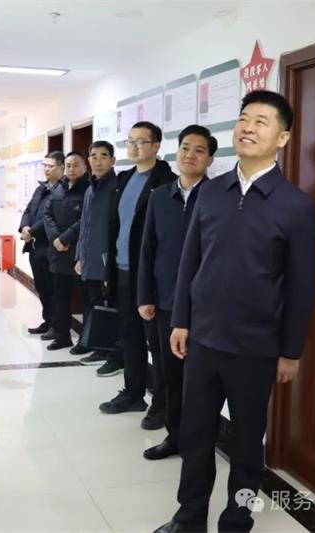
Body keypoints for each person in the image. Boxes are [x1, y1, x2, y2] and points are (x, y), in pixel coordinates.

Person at [155, 90, 315, 533]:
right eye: (244, 118)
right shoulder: (211, 193)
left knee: (247, 443)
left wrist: (291, 351)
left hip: (256, 347)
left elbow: (302, 285)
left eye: (261, 121)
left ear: (282, 137)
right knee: (196, 435)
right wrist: (181, 320)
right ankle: (189, 516)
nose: (248, 127)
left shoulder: (295, 205)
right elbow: (190, 261)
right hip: (203, 340)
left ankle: (238, 517)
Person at [137, 125, 216, 461]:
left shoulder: (218, 197)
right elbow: (147, 249)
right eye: (185, 148)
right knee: (169, 374)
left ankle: (199, 441)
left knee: (201, 380)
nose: (190, 155)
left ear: (210, 159)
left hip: (206, 306)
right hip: (167, 302)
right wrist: (144, 296)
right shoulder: (159, 196)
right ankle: (175, 437)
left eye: (199, 150)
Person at [99, 121, 176, 429]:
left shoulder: (166, 181)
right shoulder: (125, 178)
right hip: (121, 270)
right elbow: (116, 226)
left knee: (157, 344)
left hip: (150, 277)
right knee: (130, 336)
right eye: (130, 141)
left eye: (141, 141)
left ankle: (162, 405)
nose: (133, 147)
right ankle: (133, 393)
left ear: (156, 146)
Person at [74, 141, 123, 371]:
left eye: (104, 156)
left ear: (113, 160)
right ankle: (101, 348)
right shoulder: (90, 189)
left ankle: (115, 356)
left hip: (107, 262)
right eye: (93, 156)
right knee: (96, 304)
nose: (98, 161)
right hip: (90, 259)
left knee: (111, 308)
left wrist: (110, 264)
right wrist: (80, 256)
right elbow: (84, 225)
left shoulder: (117, 188)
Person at [42, 151, 89, 351]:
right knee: (60, 298)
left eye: (76, 165)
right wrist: (56, 238)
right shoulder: (58, 188)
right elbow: (47, 214)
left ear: (84, 167)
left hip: (78, 254)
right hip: (58, 253)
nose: (71, 169)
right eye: (68, 165)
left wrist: (65, 238)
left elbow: (86, 219)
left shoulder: (89, 189)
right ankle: (62, 336)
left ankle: (86, 340)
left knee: (87, 300)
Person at [19, 151, 64, 335]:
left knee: (54, 289)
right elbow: (29, 210)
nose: (46, 169)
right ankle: (48, 320)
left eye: (50, 166)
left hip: (50, 247)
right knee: (42, 287)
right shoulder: (41, 188)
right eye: (44, 165)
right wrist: (24, 227)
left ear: (61, 168)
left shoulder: (62, 190)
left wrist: (31, 231)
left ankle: (57, 325)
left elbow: (50, 218)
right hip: (35, 246)